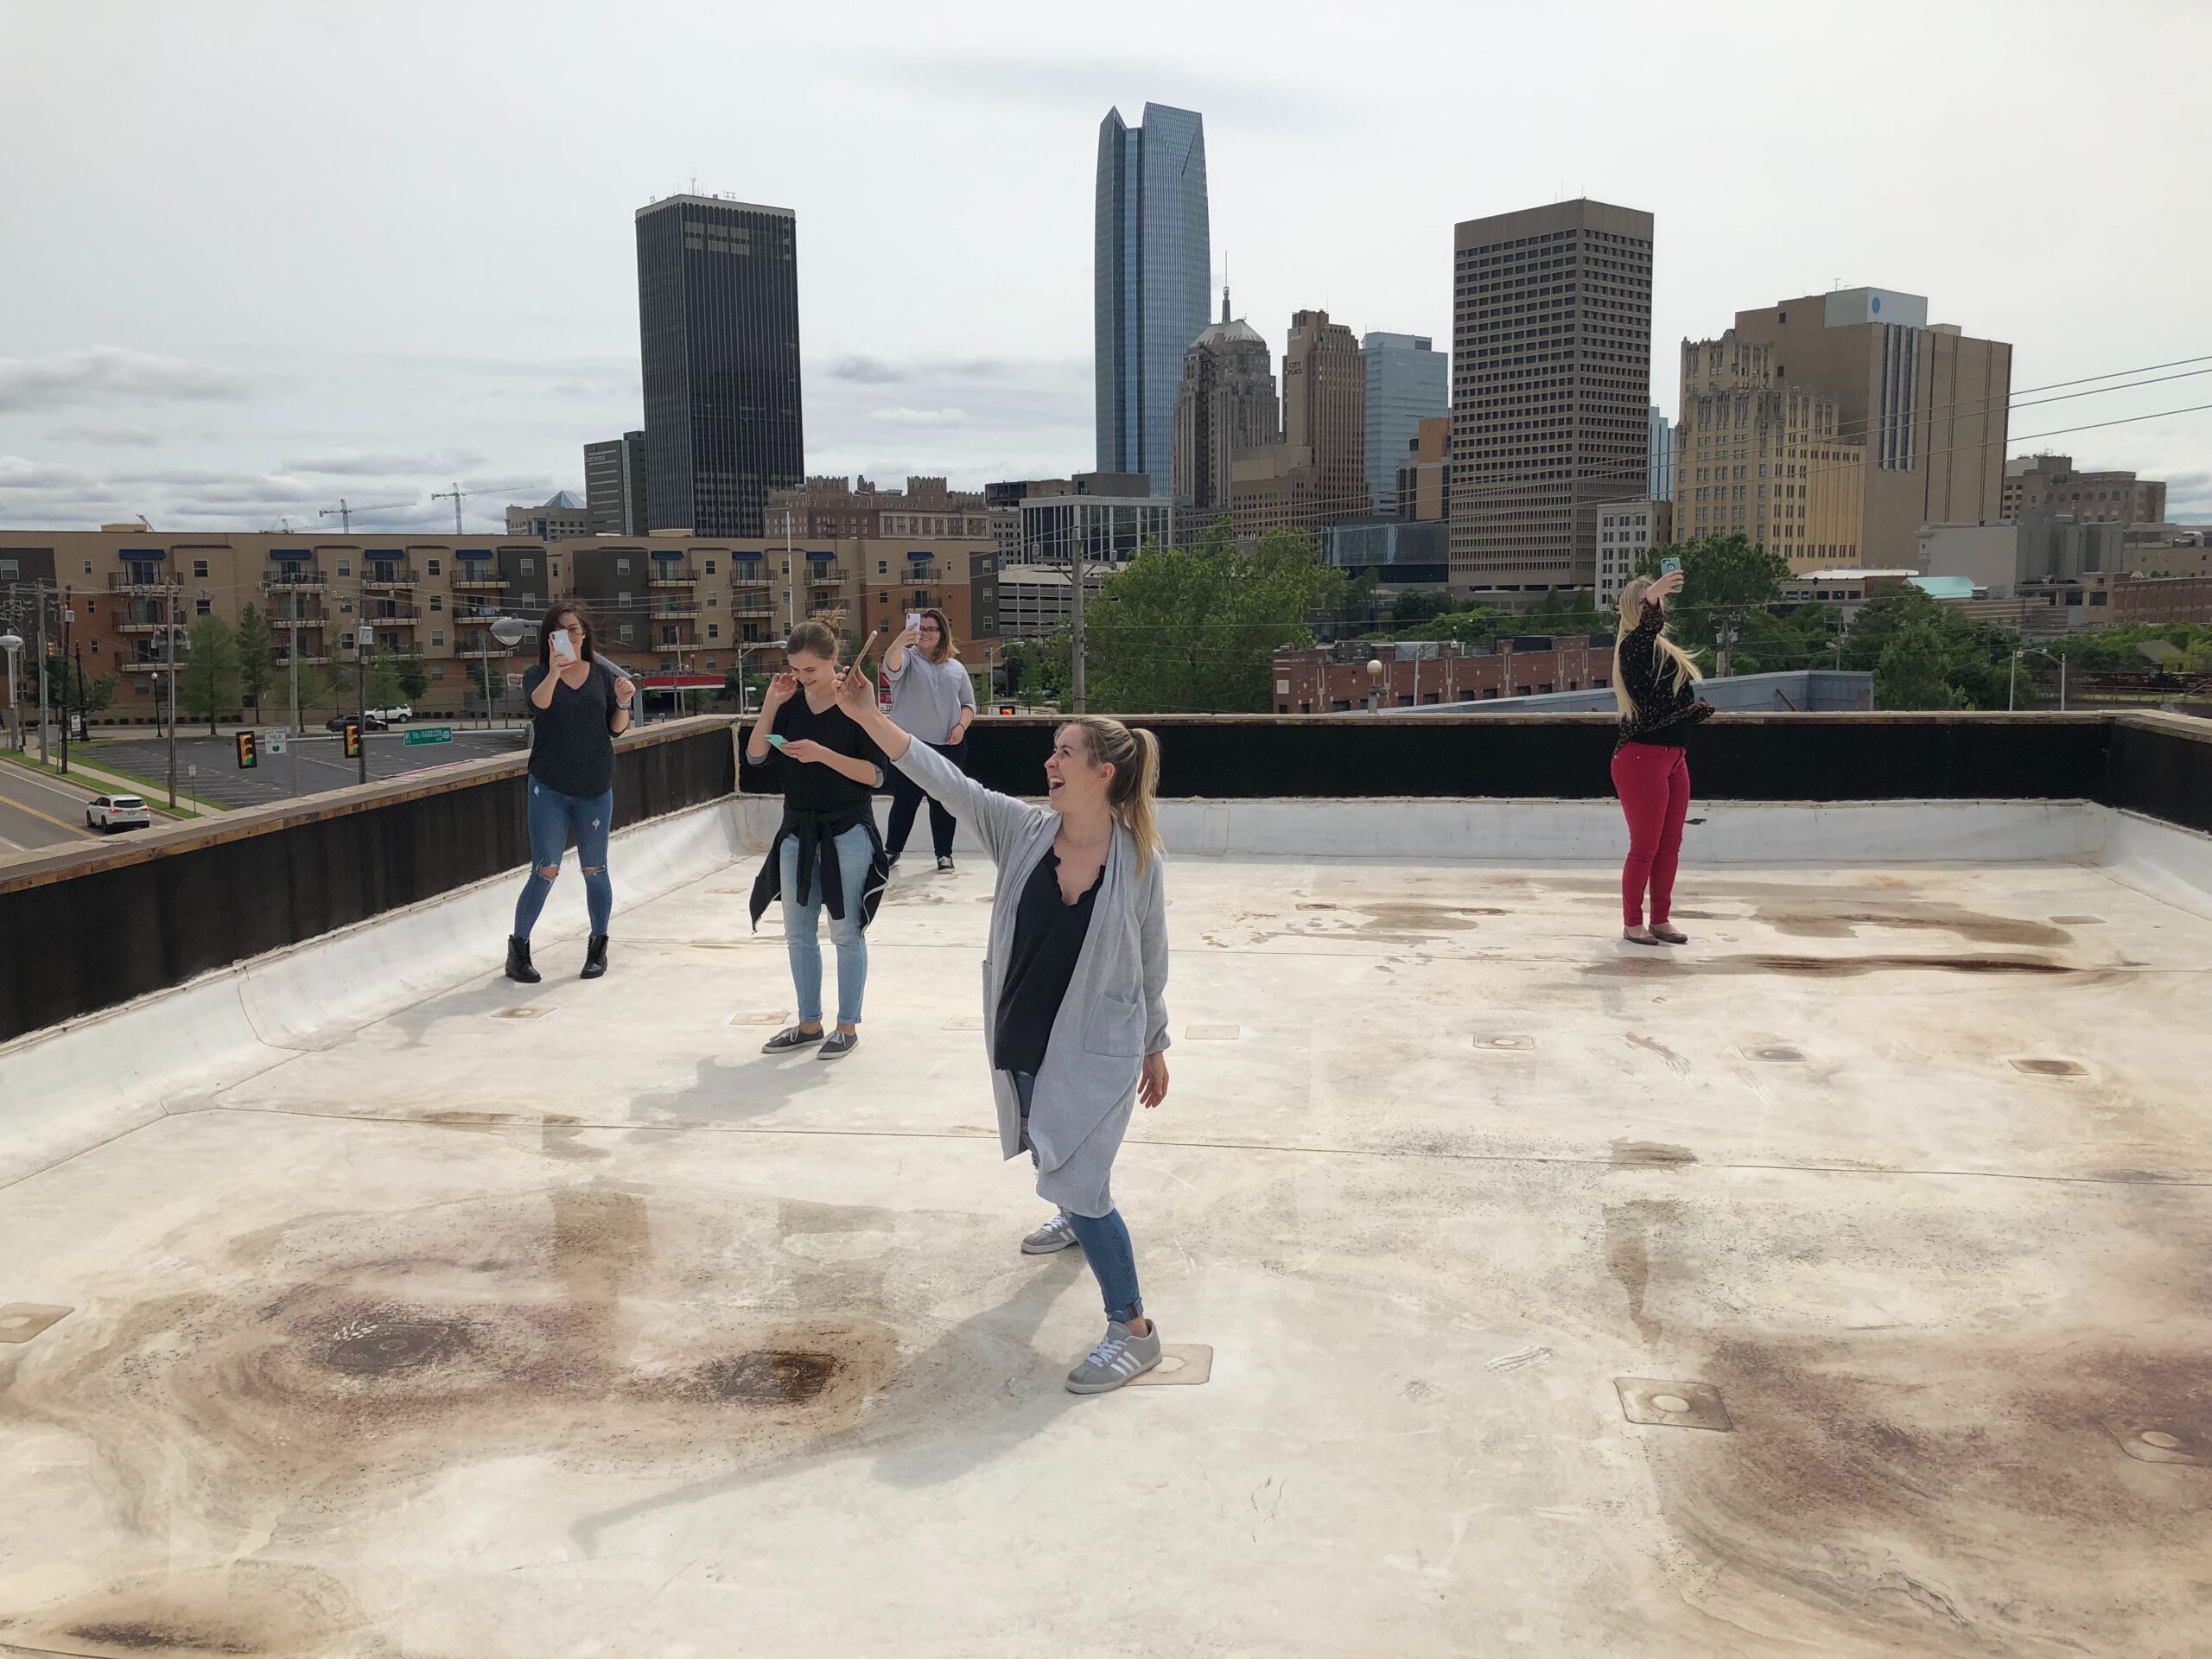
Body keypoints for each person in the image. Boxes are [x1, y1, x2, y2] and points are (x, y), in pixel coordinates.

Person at [834, 665, 1173, 1394]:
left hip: (1101, 1048)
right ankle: (1071, 1214)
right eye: (1051, 752)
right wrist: (868, 716)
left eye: (1065, 754)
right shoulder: (1022, 829)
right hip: (1022, 1033)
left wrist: (1157, 1043)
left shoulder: (1139, 860)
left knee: (1084, 1184)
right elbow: (941, 778)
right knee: (1052, 1144)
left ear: (1103, 773)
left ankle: (1133, 1331)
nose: (1049, 763)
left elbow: (1152, 956)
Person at [744, 617, 890, 1060]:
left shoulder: (856, 704)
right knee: (798, 933)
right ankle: (809, 1023)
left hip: (846, 829)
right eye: (797, 670)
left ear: (834, 661)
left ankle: (847, 1025)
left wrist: (822, 755)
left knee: (846, 931)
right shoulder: (789, 705)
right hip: (797, 830)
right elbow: (754, 756)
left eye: (812, 670)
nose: (804, 678)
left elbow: (876, 774)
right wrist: (771, 703)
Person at [505, 605, 634, 983]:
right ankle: (519, 952)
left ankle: (597, 949)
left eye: (575, 630)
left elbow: (616, 729)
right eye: (560, 632)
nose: (570, 637)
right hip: (549, 787)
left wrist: (624, 702)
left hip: (595, 787)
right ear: (549, 639)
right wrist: (556, 670)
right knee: (545, 869)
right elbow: (539, 705)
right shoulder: (537, 675)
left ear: (585, 634)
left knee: (596, 870)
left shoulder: (602, 675)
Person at [1611, 569, 1713, 946]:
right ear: (1639, 610)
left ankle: (1661, 918)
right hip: (1641, 758)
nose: (1659, 607)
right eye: (1650, 603)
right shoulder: (1632, 649)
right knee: (1645, 846)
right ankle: (1632, 921)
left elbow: (1662, 705)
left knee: (1670, 844)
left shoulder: (1661, 651)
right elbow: (1643, 636)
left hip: (1672, 757)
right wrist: (1649, 596)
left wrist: (1689, 713)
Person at [880, 607, 976, 872]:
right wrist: (900, 641)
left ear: (942, 633)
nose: (924, 633)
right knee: (905, 801)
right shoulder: (907, 659)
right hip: (910, 747)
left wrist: (961, 727)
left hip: (949, 745)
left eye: (931, 628)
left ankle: (944, 854)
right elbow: (892, 665)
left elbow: (969, 704)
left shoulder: (956, 667)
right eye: (920, 628)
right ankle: (892, 850)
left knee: (945, 802)